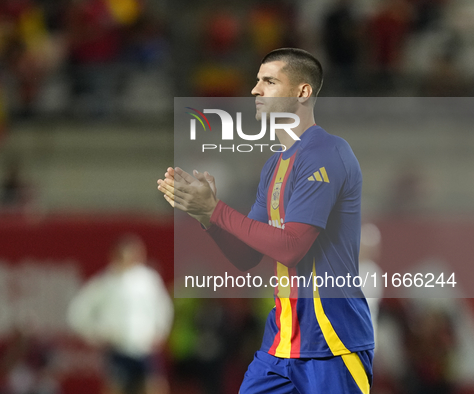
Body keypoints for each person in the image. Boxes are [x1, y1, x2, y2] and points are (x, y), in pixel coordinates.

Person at [157, 48, 374, 393]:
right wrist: (205, 217)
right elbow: (247, 257)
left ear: (302, 92)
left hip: (332, 344)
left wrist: (216, 210)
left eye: (269, 81)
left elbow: (290, 249)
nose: (255, 90)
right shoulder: (275, 165)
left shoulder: (327, 152)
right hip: (279, 347)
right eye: (257, 81)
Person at [67, 234, 174, 394]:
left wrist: (160, 332)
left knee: (154, 387)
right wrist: (96, 334)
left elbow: (163, 307)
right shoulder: (106, 281)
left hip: (145, 348)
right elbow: (78, 311)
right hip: (118, 347)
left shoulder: (148, 279)